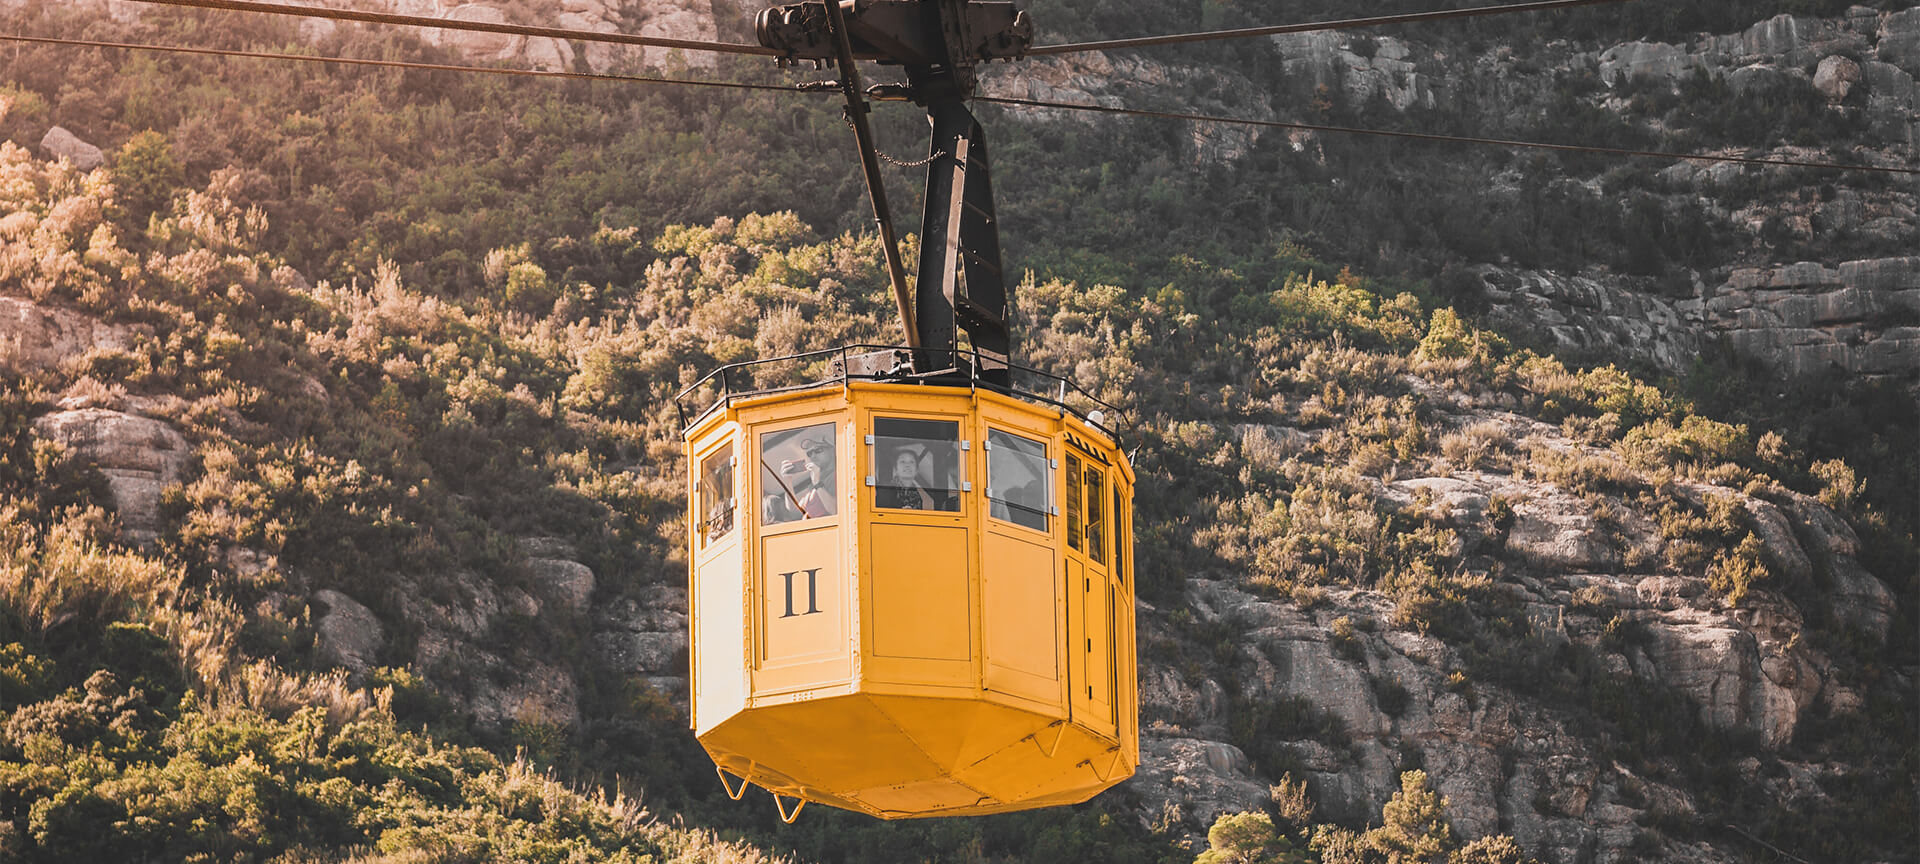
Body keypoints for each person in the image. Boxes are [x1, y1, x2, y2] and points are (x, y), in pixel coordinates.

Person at [880, 445, 956, 511]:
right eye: (902, 462)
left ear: (916, 470)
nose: (907, 465)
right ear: (896, 469)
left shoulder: (917, 495)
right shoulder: (887, 489)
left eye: (911, 462)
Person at [794, 436, 836, 517]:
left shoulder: (839, 475)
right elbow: (794, 513)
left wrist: (817, 483)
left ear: (832, 450)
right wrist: (787, 482)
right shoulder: (813, 486)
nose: (813, 456)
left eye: (818, 450)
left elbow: (835, 509)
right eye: (809, 453)